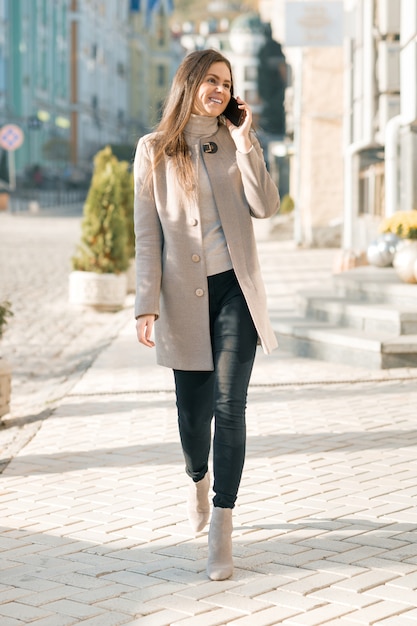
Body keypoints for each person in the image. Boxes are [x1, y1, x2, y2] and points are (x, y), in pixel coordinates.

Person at [133, 49, 280, 581]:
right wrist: (145, 304)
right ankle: (198, 476)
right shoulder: (154, 149)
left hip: (236, 292)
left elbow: (266, 206)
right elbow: (147, 235)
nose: (218, 89)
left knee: (230, 405)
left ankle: (223, 524)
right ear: (189, 84)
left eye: (226, 82)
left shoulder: (236, 142)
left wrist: (245, 139)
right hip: (183, 300)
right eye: (210, 80)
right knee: (194, 419)